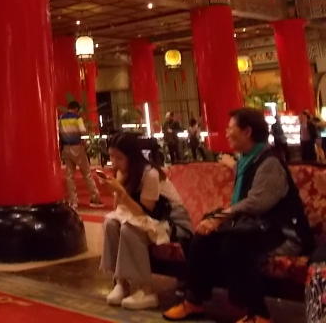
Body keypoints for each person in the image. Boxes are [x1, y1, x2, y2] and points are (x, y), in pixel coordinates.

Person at [164, 107, 313, 323]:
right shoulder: (248, 159)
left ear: (247, 132)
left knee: (234, 245)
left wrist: (219, 218)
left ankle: (259, 314)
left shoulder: (270, 162)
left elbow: (257, 203)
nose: (226, 133)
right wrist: (216, 219)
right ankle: (194, 301)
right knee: (203, 238)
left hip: (284, 232)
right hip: (258, 227)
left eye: (230, 128)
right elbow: (247, 189)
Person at [100, 132, 193, 310]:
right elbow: (118, 209)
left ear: (132, 156)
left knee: (128, 229)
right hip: (145, 218)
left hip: (170, 220)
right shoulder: (124, 172)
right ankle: (121, 282)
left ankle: (146, 290)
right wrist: (118, 186)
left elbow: (146, 212)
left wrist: (121, 191)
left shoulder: (150, 174)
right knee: (111, 224)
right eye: (111, 157)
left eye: (119, 158)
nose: (114, 162)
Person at [59, 101, 103, 210]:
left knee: (69, 176)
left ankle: (73, 201)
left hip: (66, 148)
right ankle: (95, 198)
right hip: (77, 148)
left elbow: (58, 132)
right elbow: (83, 131)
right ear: (76, 109)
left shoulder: (61, 118)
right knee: (87, 173)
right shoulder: (77, 118)